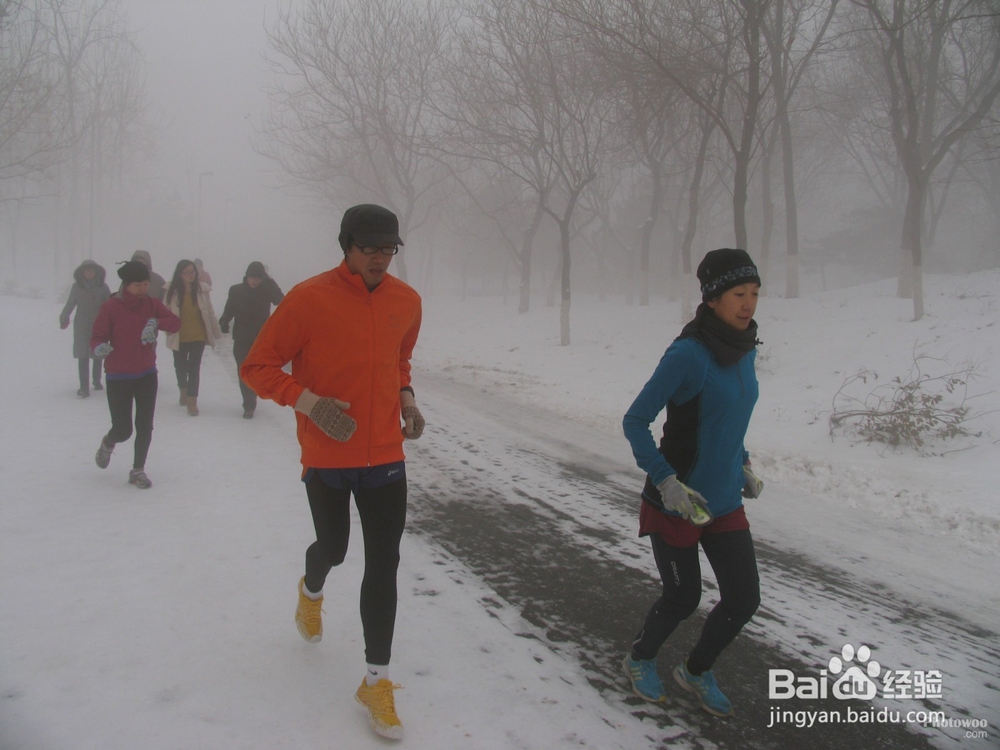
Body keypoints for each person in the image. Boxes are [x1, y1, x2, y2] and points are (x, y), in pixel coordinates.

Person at [241, 204, 424, 741]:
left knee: (383, 564)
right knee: (335, 549)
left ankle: (376, 680)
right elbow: (257, 366)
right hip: (328, 455)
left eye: (388, 248)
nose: (379, 257)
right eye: (369, 247)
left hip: (387, 456)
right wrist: (306, 401)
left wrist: (407, 399)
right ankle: (311, 589)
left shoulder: (406, 300)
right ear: (346, 245)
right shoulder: (308, 298)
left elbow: (399, 360)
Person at [621, 248, 765, 718]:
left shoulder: (744, 349)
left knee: (743, 599)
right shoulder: (689, 354)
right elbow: (635, 420)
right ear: (713, 298)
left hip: (723, 500)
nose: (748, 304)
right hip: (678, 501)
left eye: (755, 294)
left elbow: (730, 418)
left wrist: (741, 461)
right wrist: (666, 483)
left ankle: (696, 670)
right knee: (683, 597)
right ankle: (641, 659)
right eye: (738, 294)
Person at [90, 260, 181, 489]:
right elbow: (97, 336)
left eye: (146, 284)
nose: (143, 289)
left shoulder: (151, 304)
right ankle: (108, 443)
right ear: (126, 284)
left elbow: (175, 322)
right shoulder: (111, 307)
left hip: (146, 374)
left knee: (145, 425)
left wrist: (156, 322)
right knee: (123, 429)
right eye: (138, 285)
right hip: (118, 375)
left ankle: (138, 470)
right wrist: (99, 347)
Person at [218, 261, 284, 418]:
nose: (255, 281)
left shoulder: (267, 290)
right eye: (252, 278)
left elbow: (281, 300)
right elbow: (229, 309)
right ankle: (248, 404)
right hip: (241, 338)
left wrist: (269, 281)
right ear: (246, 276)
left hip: (261, 339)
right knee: (243, 371)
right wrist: (224, 321)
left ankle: (253, 394)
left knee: (257, 372)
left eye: (258, 278)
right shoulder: (236, 291)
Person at [163, 259, 222, 416]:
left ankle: (192, 401)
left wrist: (216, 332)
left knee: (194, 368)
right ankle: (183, 389)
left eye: (193, 272)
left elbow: (209, 311)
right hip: (179, 336)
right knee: (180, 367)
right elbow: (165, 312)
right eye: (187, 272)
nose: (190, 275)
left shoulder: (202, 290)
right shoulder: (172, 291)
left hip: (198, 335)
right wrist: (167, 329)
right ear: (180, 274)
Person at [60, 259, 110, 397]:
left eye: (92, 270)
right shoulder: (77, 287)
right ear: (82, 273)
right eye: (86, 270)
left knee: (98, 353)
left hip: (99, 325)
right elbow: (70, 303)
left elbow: (110, 306)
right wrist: (64, 318)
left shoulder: (103, 287)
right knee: (83, 355)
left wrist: (112, 322)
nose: (89, 273)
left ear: (96, 272)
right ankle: (84, 387)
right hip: (81, 326)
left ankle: (97, 380)